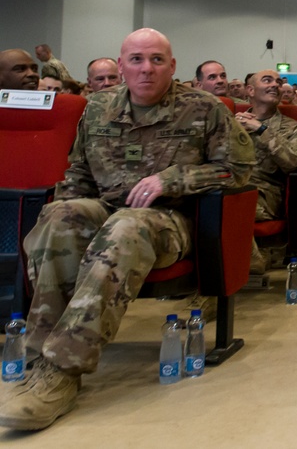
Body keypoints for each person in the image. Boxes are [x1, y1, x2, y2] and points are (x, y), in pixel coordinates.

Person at [0, 28, 254, 431]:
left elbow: (238, 170)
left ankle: (61, 372)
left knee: (125, 227)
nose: (146, 69)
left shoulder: (204, 109)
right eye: (136, 60)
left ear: (172, 66)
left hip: (172, 221)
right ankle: (36, 356)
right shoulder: (98, 107)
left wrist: (171, 180)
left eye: (157, 60)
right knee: (57, 218)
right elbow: (80, 171)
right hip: (106, 206)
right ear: (121, 66)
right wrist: (67, 206)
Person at [238, 69, 297, 274]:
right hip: (230, 186)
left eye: (278, 81)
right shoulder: (231, 123)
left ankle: (249, 256)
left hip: (268, 194)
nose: (274, 85)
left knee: (231, 201)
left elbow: (296, 163)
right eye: (267, 80)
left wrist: (261, 130)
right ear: (250, 90)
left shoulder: (291, 127)